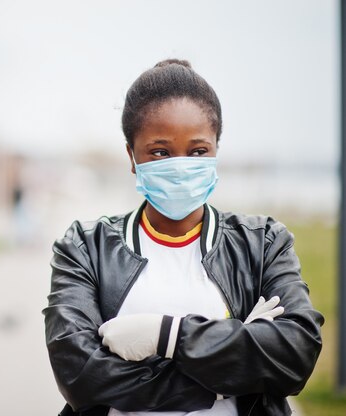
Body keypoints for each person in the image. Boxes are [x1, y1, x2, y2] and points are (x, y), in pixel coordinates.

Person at [43, 59, 324, 416]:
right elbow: (81, 377)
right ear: (132, 156)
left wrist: (168, 335)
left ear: (216, 150)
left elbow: (295, 355)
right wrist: (233, 366)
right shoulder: (86, 247)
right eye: (159, 151)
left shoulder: (263, 243)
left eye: (198, 151)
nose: (179, 165)